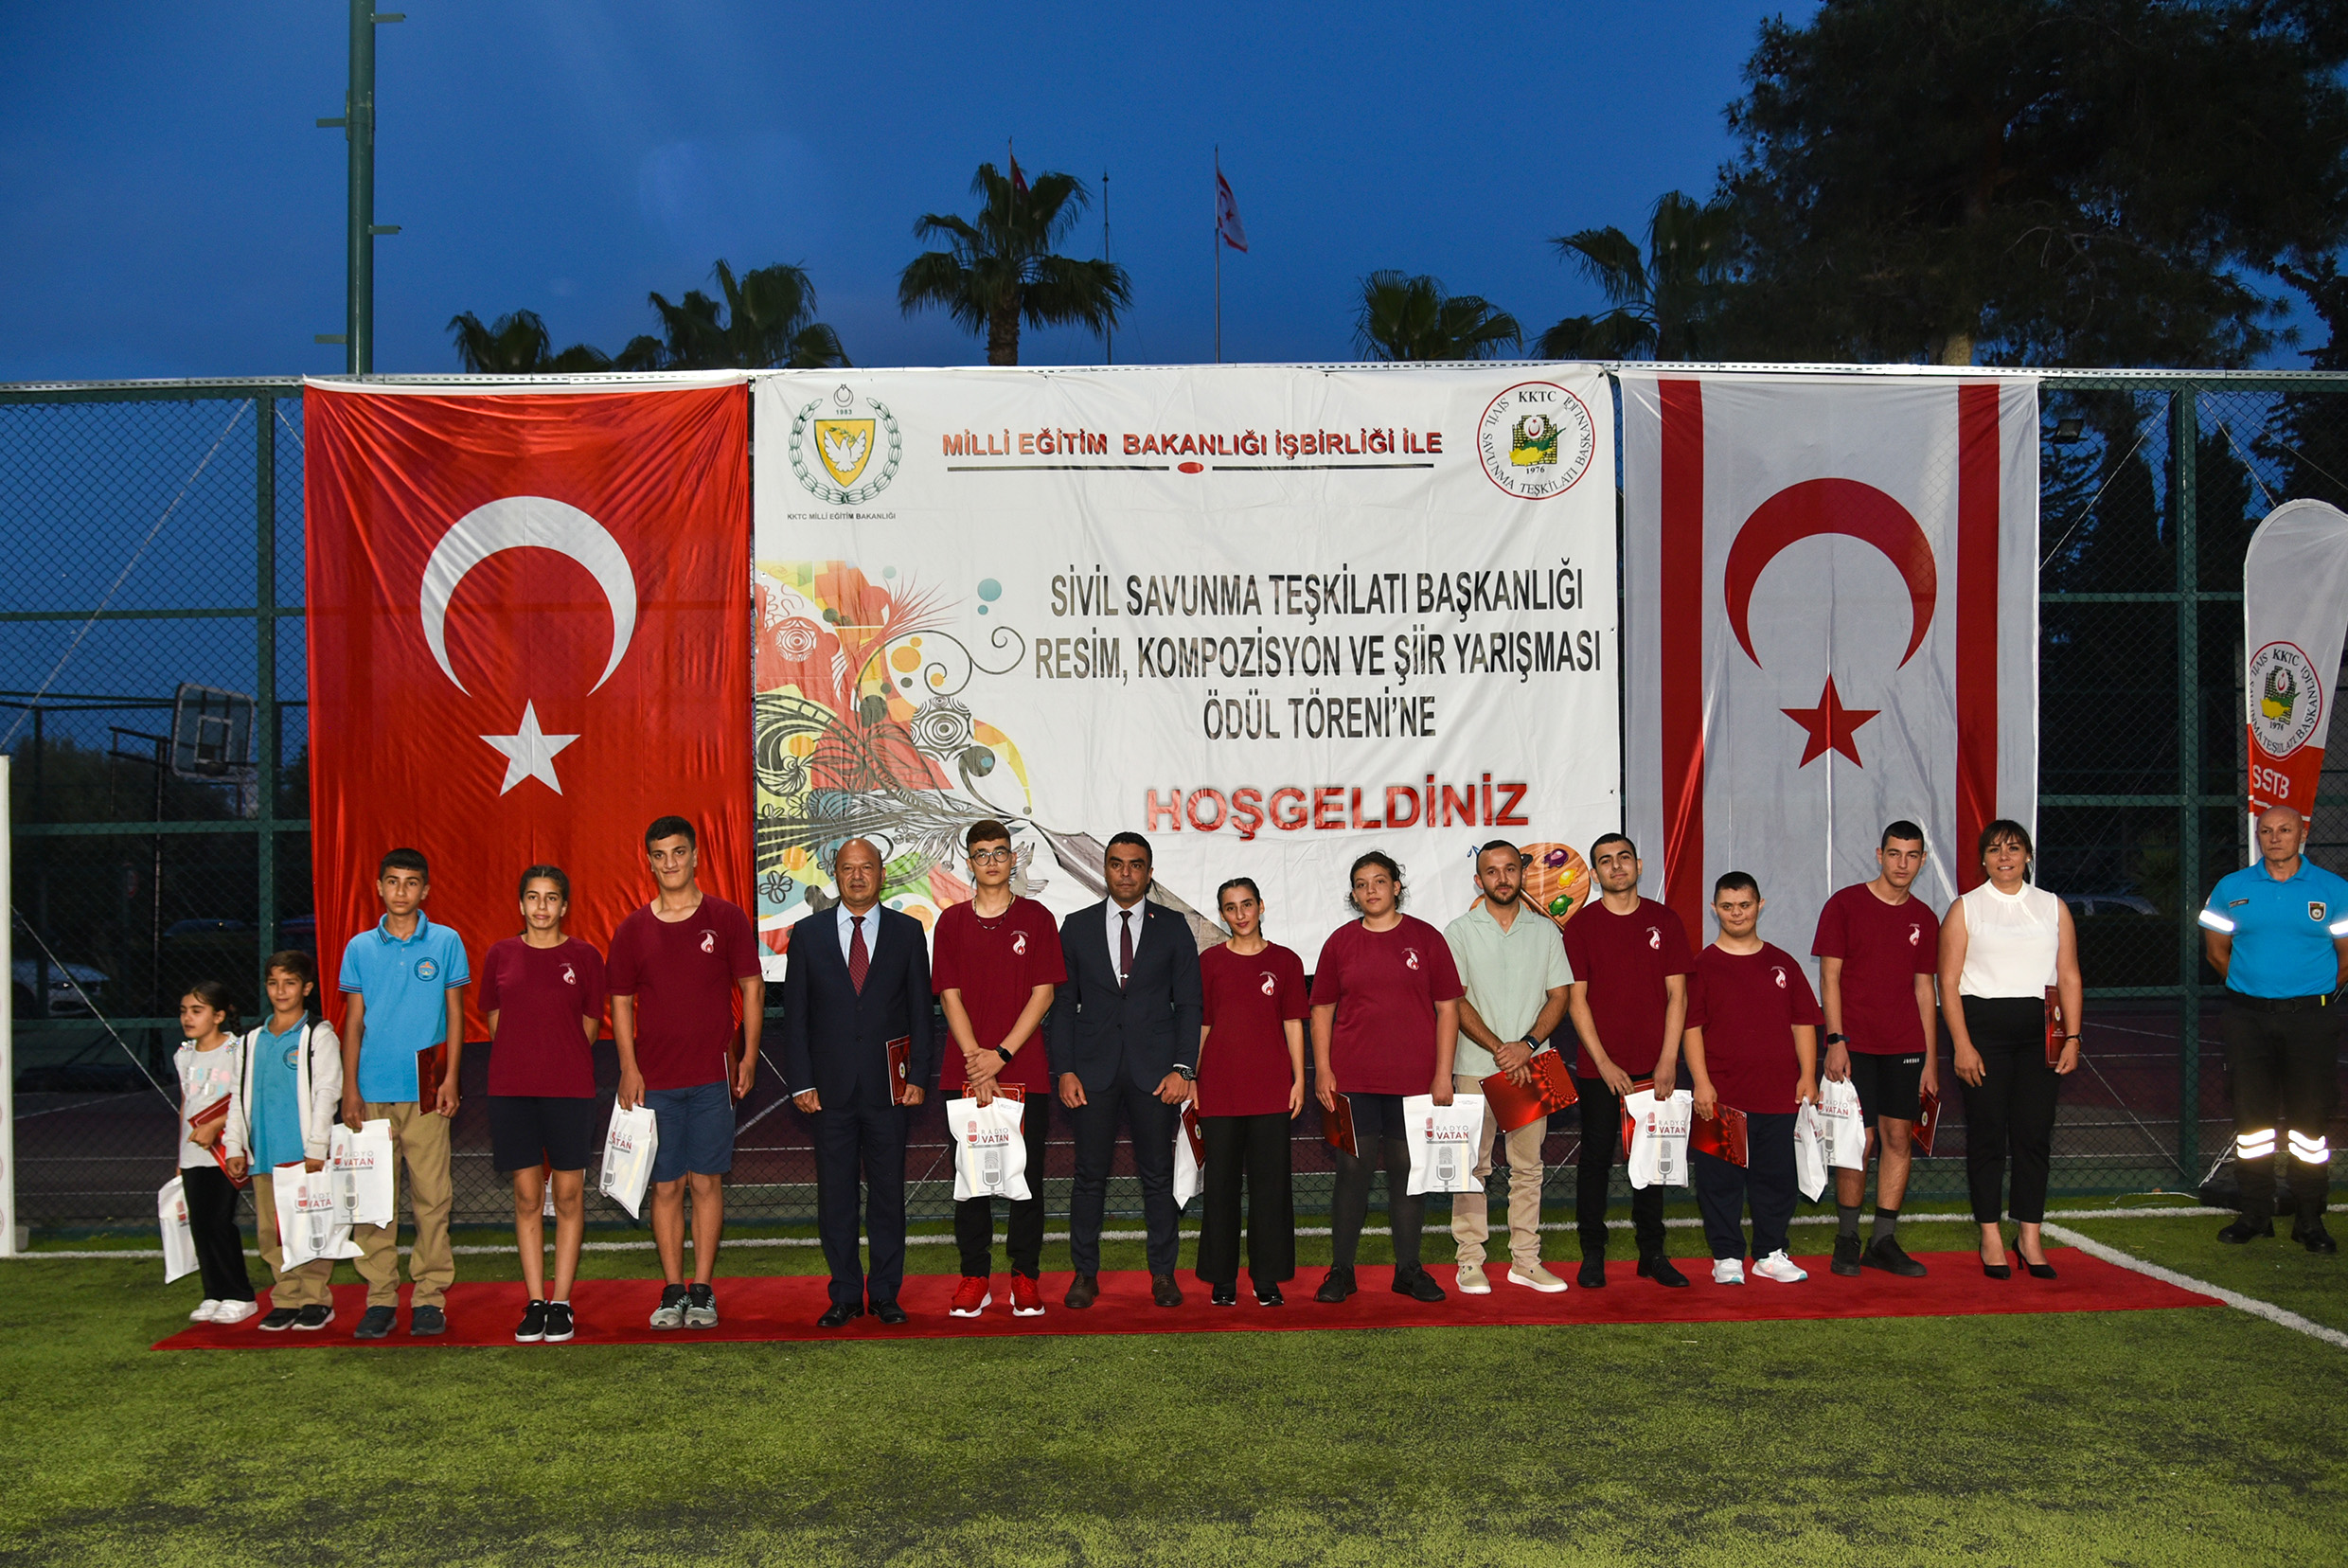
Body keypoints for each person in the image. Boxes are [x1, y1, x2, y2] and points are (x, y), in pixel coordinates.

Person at [609, 815, 764, 1329]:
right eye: (660, 855)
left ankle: (702, 1290)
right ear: (649, 862)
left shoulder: (727, 918)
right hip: (654, 1082)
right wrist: (628, 1067)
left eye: (679, 852)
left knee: (706, 1183)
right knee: (666, 1186)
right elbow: (620, 1002)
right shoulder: (632, 929)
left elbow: (752, 988)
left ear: (696, 856)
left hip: (712, 1080)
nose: (670, 863)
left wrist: (748, 1055)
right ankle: (672, 1290)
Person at [782, 837, 934, 1327]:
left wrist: (918, 1076)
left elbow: (921, 1011)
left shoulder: (908, 933)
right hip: (829, 1092)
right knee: (836, 1198)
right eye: (848, 868)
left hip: (891, 1088)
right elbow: (796, 1016)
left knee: (888, 1195)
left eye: (866, 867)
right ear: (836, 875)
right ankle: (845, 1294)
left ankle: (886, 1294)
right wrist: (801, 1082)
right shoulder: (808, 935)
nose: (857, 876)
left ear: (881, 874)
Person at [1049, 832, 1204, 1310]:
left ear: (1149, 873)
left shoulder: (1173, 926)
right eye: (1116, 863)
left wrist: (1184, 1069)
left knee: (1157, 1176)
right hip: (1091, 1073)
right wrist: (1064, 1070)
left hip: (1156, 1074)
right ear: (1105, 869)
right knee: (1088, 1177)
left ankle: (1163, 1275)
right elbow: (1062, 1006)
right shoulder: (1076, 926)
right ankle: (1084, 1275)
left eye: (1136, 865)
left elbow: (1190, 1004)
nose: (1125, 872)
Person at [1310, 850, 1464, 1306]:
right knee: (1350, 1174)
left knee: (1407, 1174)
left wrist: (1442, 1074)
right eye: (1361, 884)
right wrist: (1324, 1069)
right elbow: (1321, 1010)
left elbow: (1448, 1010)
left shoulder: (1426, 938)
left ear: (1397, 887)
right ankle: (1341, 1271)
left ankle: (1408, 1270)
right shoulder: (1339, 943)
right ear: (1353, 894)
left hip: (1414, 1083)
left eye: (1379, 880)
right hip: (1353, 1082)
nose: (1371, 890)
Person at [931, 819, 1063, 1318]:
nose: (992, 861)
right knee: (971, 1179)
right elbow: (949, 995)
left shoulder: (1038, 918)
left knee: (1025, 1178)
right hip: (966, 1071)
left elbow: (1043, 994)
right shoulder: (950, 922)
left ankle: (1025, 1276)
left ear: (1013, 859)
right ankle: (975, 1277)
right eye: (982, 853)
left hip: (1024, 1068)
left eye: (1000, 852)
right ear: (970, 862)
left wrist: (1000, 1056)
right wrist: (978, 1064)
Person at [1939, 819, 2082, 1279]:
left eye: (2014, 848)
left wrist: (2073, 1037)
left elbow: (2069, 975)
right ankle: (1990, 1236)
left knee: (2033, 1135)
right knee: (1987, 1136)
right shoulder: (1965, 908)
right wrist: (1962, 1044)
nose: (2005, 857)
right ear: (1983, 859)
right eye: (1995, 849)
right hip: (1983, 1035)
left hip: (2041, 1035)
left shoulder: (2053, 907)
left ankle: (2029, 1236)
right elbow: (1947, 982)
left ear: (2028, 856)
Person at [2197, 803, 2341, 1255]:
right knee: (2252, 1123)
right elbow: (2216, 953)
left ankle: (2309, 1219)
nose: (2275, 838)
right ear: (2257, 836)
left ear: (2303, 834)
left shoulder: (2334, 889)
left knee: (2310, 1124)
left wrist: (2308, 994)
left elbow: (2346, 957)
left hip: (2312, 1021)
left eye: (2284, 830)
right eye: (2266, 831)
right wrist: (2255, 991)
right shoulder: (2231, 887)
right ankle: (2255, 1214)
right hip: (2247, 1020)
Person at [337, 847, 468, 1339]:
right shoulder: (359, 948)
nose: (401, 891)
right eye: (392, 881)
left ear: (425, 890)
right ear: (379, 887)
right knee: (374, 1200)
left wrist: (451, 1077)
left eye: (411, 882)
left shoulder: (446, 941)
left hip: (427, 1088)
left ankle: (429, 1296)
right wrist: (350, 1087)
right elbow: (353, 1022)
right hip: (371, 1090)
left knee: (432, 1197)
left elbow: (455, 1014)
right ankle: (380, 1298)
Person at [478, 865, 607, 1345]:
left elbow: (590, 1024)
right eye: (533, 897)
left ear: (564, 906)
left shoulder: (585, 956)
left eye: (551, 898)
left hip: (570, 1091)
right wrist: (524, 1059)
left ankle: (562, 1302)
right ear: (521, 904)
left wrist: (559, 1059)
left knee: (569, 1197)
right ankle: (535, 1301)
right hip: (512, 1092)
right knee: (528, 1197)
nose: (541, 907)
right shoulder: (500, 954)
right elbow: (495, 1019)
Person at [1561, 833, 1694, 1289]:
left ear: (1638, 864)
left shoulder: (1665, 921)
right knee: (1596, 1159)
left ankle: (1651, 1254)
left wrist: (1667, 1060)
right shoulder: (1581, 927)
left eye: (1623, 858)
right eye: (1605, 861)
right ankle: (1592, 1253)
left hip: (1654, 1067)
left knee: (1651, 1159)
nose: (1616, 866)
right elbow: (1576, 1000)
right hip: (1601, 1068)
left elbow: (1678, 996)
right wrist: (1603, 1063)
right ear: (1594, 874)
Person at [1811, 821, 1941, 1279]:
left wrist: (1930, 1058)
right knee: (1859, 1142)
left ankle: (1882, 1241)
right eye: (1894, 853)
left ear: (1922, 860)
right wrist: (1836, 1040)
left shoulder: (1924, 918)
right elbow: (1829, 977)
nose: (1902, 863)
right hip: (1855, 1046)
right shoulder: (1844, 904)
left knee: (1898, 1139)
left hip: (1905, 1045)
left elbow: (1925, 990)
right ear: (1879, 854)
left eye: (1912, 855)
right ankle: (1847, 1238)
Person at [1443, 840, 1574, 1294]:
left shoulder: (1546, 931)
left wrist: (1527, 1046)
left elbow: (1560, 995)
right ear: (1478, 880)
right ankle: (1470, 1262)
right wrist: (1502, 1048)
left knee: (1528, 1169)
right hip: (1474, 1066)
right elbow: (1455, 1000)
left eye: (1510, 869)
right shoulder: (1458, 931)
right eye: (1492, 871)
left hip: (1534, 1067)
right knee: (1470, 1168)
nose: (1502, 878)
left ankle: (1526, 1262)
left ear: (1522, 874)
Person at [1681, 872, 1820, 1286]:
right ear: (1714, 910)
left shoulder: (1783, 963)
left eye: (1744, 905)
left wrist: (1808, 1075)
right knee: (1719, 1182)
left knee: (1776, 1180)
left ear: (1760, 905)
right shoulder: (1701, 966)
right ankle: (1725, 1255)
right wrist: (1702, 1083)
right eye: (1727, 906)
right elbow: (1691, 1029)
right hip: (1722, 1097)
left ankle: (1770, 1254)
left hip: (1779, 1095)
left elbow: (1803, 1022)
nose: (1737, 913)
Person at [1193, 877, 1307, 1307]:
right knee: (1220, 1189)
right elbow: (1203, 1025)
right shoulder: (1209, 962)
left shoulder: (1286, 961)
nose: (1240, 915)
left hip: (1271, 1092)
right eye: (1230, 907)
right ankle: (1222, 1279)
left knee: (1270, 1189)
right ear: (1222, 914)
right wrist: (1193, 1079)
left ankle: (1267, 1278)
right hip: (1218, 1091)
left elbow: (1293, 1022)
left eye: (1246, 905)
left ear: (1261, 906)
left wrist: (1299, 1079)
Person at [222, 952, 343, 1331]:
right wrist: (235, 1145)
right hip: (264, 1153)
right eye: (273, 983)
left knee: (310, 1227)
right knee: (271, 1230)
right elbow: (238, 1097)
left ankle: (316, 1299)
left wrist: (317, 1147)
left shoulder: (318, 1035)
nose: (281, 991)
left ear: (306, 988)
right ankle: (286, 1297)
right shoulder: (250, 1040)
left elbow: (328, 1092)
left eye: (290, 983)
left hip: (303, 1154)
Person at [172, 979, 256, 1325]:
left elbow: (245, 1099)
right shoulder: (183, 1054)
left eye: (197, 1011)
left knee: (220, 1221)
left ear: (219, 1016)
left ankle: (240, 1294)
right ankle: (214, 1292)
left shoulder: (238, 1050)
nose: (187, 1018)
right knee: (201, 1223)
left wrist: (216, 1125)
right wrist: (180, 1156)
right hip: (194, 1152)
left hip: (225, 1148)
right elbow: (186, 1104)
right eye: (183, 1011)